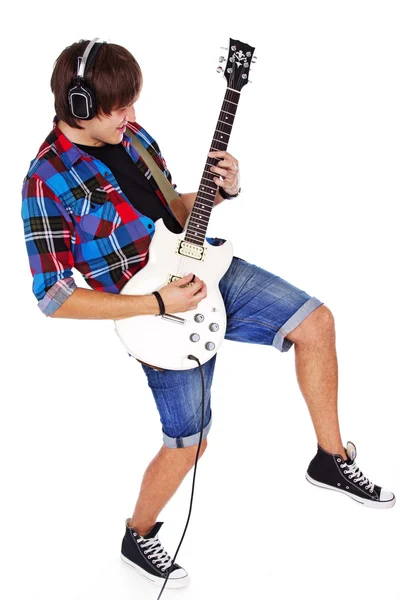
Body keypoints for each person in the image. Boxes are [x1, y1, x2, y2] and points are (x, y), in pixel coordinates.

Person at [21, 38, 396, 591]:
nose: (132, 116)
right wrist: (156, 303)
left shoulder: (134, 137)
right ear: (78, 106)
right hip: (156, 317)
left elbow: (172, 208)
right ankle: (138, 532)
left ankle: (330, 457)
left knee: (317, 322)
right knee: (190, 441)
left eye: (133, 102)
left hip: (203, 268)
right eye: (119, 107)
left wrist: (222, 191)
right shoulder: (44, 182)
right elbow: (53, 297)